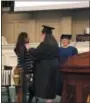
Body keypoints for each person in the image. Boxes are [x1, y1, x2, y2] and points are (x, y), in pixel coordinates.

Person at [30, 25, 59, 103]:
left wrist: (30, 49)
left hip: (46, 67)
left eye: (41, 34)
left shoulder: (44, 44)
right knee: (51, 85)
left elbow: (37, 53)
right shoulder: (55, 44)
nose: (41, 36)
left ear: (44, 35)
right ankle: (49, 101)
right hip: (54, 66)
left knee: (45, 85)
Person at [14, 32, 35, 103]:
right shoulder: (23, 47)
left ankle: (28, 100)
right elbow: (23, 61)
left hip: (24, 70)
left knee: (28, 90)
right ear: (24, 38)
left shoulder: (19, 46)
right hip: (25, 71)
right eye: (27, 37)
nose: (28, 38)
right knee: (24, 92)